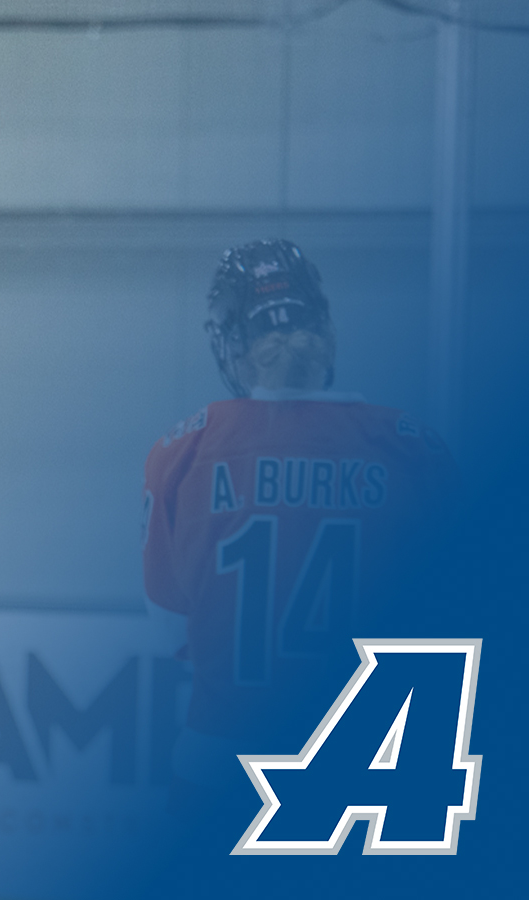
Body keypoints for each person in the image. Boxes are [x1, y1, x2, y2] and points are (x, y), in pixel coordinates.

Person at [140, 239, 457, 841]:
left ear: (234, 343)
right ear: (326, 331)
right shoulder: (417, 451)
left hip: (222, 773)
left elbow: (169, 631)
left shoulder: (182, 454)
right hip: (380, 780)